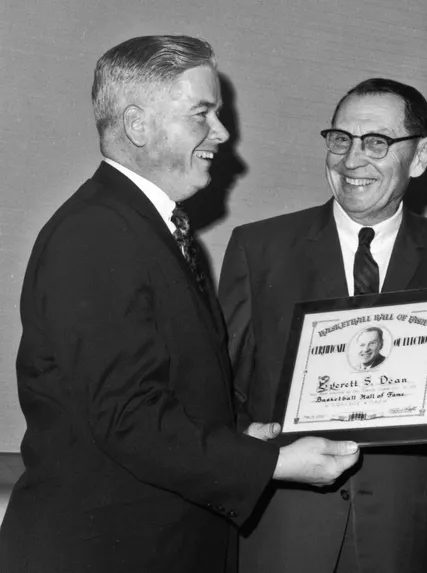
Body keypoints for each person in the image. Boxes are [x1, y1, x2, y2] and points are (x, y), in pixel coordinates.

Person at [0, 35, 359, 573]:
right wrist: (275, 462)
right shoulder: (96, 233)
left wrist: (239, 436)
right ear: (137, 124)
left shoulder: (138, 227)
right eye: (202, 114)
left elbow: (163, 388)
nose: (222, 132)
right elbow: (129, 417)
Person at [218, 77, 427, 573]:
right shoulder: (259, 251)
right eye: (340, 139)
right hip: (282, 531)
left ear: (421, 155)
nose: (351, 160)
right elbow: (218, 397)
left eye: (376, 143)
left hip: (407, 538)